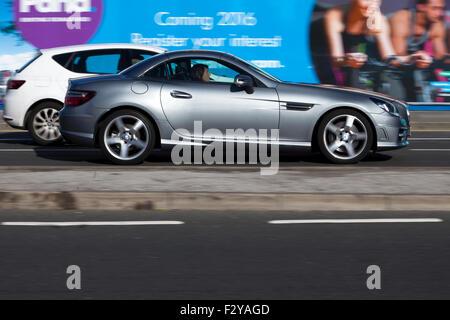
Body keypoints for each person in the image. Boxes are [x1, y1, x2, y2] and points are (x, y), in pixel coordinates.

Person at [322, 0, 429, 89]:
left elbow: (389, 59)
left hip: (353, 70)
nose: (372, 4)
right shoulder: (335, 15)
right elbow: (335, 60)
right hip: (320, 60)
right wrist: (347, 60)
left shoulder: (378, 19)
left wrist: (412, 58)